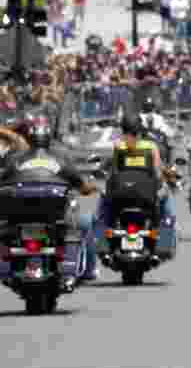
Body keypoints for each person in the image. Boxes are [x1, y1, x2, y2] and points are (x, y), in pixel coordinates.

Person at [0, 114, 98, 287]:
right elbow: (81, 185)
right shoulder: (60, 159)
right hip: (51, 220)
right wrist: (90, 188)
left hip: (20, 220)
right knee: (85, 222)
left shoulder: (14, 159)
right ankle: (88, 271)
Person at [97, 113, 178, 260]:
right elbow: (157, 171)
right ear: (140, 129)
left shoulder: (118, 146)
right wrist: (167, 182)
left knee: (103, 210)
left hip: (120, 196)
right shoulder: (151, 146)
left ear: (123, 129)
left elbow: (114, 171)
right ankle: (165, 240)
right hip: (146, 196)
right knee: (167, 211)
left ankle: (102, 241)